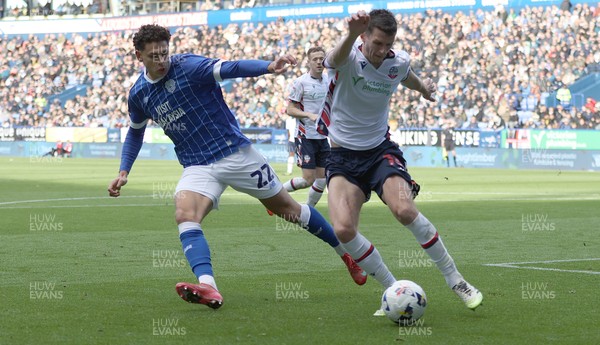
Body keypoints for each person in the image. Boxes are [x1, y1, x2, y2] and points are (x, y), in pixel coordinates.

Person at [107, 24, 366, 310]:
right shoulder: (139, 94)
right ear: (138, 56)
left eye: (164, 53)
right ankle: (208, 286)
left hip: (236, 154)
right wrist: (124, 170)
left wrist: (269, 66)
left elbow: (231, 68)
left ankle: (347, 254)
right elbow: (135, 131)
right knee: (184, 214)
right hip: (197, 164)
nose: (161, 61)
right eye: (153, 56)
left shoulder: (189, 67)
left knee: (289, 210)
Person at [317, 9, 483, 312]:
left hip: (380, 151)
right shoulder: (348, 57)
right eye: (376, 43)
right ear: (365, 36)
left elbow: (405, 75)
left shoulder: (397, 60)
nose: (381, 51)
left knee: (405, 209)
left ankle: (455, 279)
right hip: (342, 155)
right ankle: (393, 290)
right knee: (343, 230)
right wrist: (351, 33)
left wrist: (424, 89)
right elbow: (333, 58)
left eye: (387, 45)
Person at [282, 47, 330, 207]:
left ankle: (308, 211)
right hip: (305, 136)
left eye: (321, 58)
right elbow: (290, 109)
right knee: (307, 180)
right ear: (308, 62)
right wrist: (309, 115)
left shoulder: (329, 80)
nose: (318, 62)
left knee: (322, 179)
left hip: (322, 137)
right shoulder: (301, 82)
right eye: (315, 59)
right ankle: (275, 196)